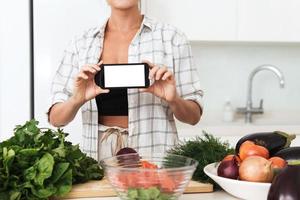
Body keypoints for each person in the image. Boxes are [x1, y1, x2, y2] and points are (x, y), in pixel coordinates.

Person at [48, 0, 203, 161]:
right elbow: (56, 119)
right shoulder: (81, 43)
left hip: (154, 156)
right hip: (97, 156)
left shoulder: (172, 38)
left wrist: (174, 99)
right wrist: (76, 100)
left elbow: (193, 117)